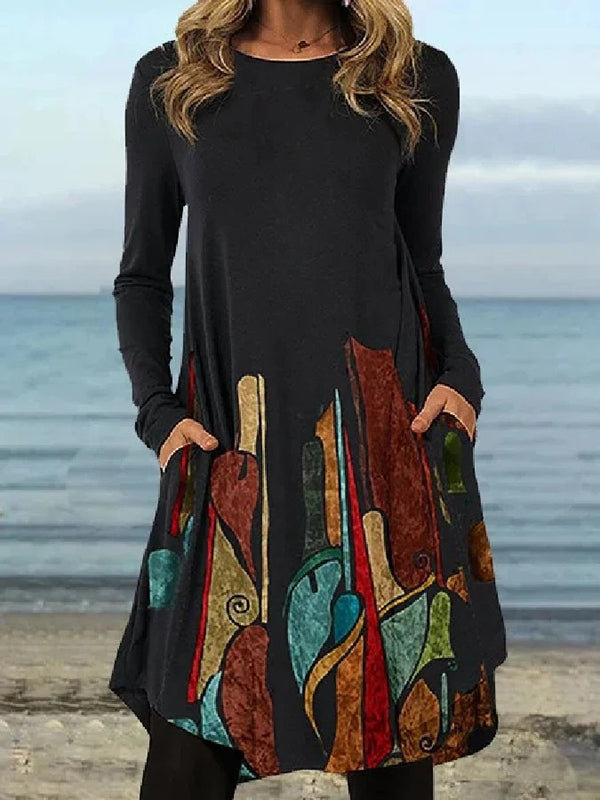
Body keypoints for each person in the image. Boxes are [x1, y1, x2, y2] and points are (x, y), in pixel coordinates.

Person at [108, 0, 508, 798]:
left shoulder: (411, 75)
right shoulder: (175, 79)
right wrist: (158, 413)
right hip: (230, 449)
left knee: (387, 748)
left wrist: (461, 376)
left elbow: (419, 263)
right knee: (191, 743)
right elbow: (143, 276)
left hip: (381, 448)